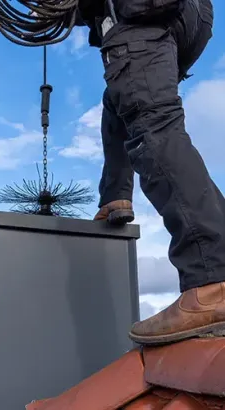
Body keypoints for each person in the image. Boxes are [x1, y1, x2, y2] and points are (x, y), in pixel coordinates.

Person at [77, 0, 225, 345]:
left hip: (140, 10)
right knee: (119, 99)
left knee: (151, 123)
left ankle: (211, 282)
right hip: (188, 15)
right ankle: (115, 196)